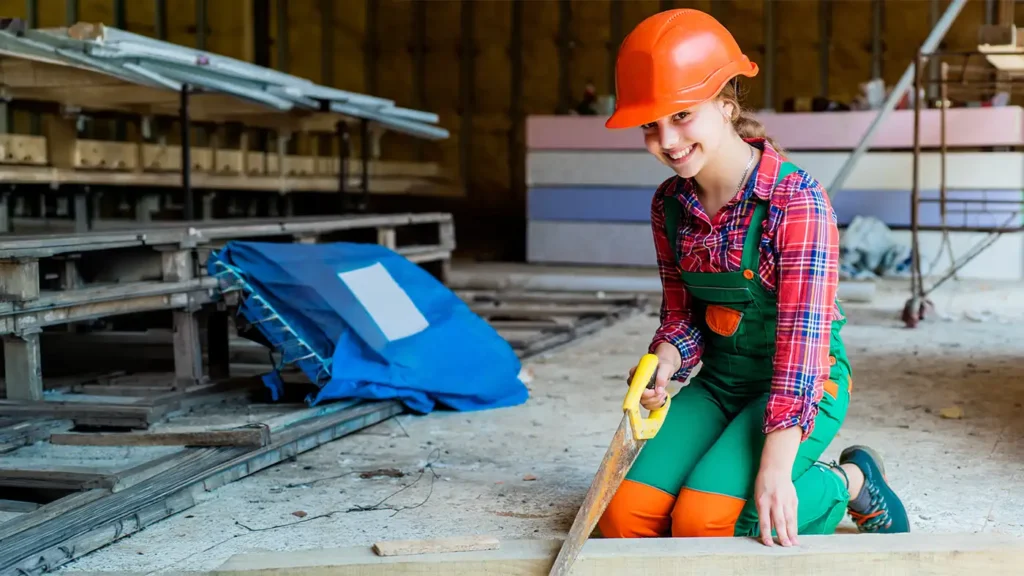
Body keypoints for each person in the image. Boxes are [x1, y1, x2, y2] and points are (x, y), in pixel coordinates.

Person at [596, 9, 910, 547]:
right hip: (721, 383)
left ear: (726, 104)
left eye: (681, 115)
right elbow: (682, 316)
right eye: (650, 125)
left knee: (706, 522)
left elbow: (803, 348)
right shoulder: (669, 204)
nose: (666, 140)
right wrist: (666, 360)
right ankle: (737, 472)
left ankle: (850, 482)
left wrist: (775, 468)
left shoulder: (795, 200)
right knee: (622, 517)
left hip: (805, 384)